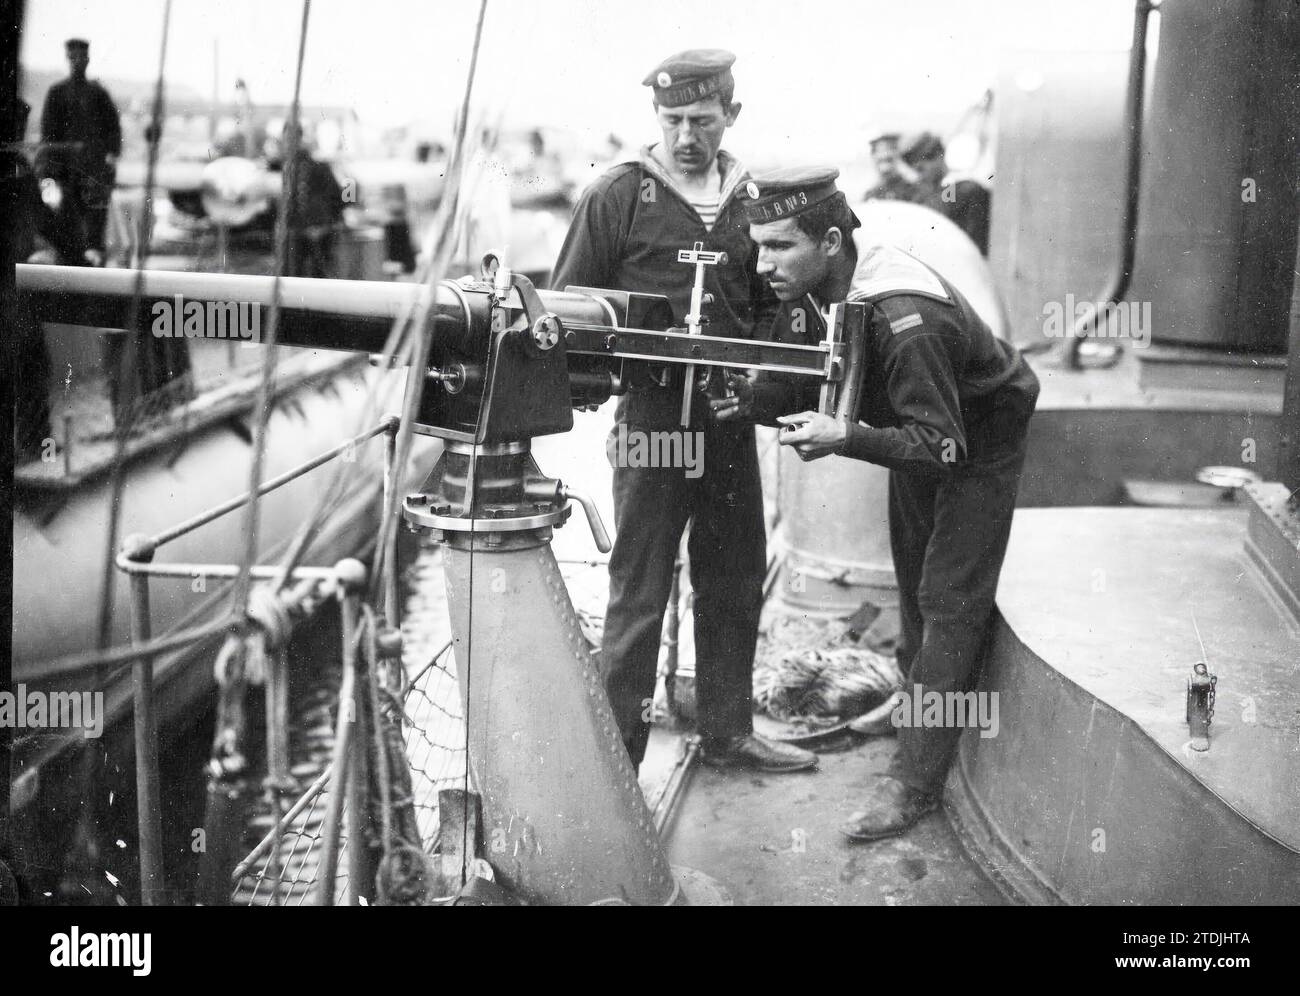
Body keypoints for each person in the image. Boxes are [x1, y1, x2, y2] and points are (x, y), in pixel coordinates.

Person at [718, 167, 1038, 838]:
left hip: (973, 437)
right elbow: (803, 377)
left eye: (779, 245)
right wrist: (747, 399)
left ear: (831, 241)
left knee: (951, 602)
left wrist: (847, 435)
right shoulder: (809, 286)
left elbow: (941, 446)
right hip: (916, 421)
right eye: (759, 244)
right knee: (916, 578)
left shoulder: (903, 317)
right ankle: (911, 705)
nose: (763, 261)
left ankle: (912, 785)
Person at [548, 49, 815, 774]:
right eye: (672, 120)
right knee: (641, 589)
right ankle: (617, 764)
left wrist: (757, 378)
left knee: (731, 579)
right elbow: (569, 308)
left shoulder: (755, 199)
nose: (687, 135)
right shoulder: (619, 196)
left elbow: (777, 308)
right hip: (653, 427)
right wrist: (598, 394)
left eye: (702, 119)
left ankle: (729, 733)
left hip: (729, 426)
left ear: (732, 113)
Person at [37, 38, 121, 260]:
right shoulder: (57, 93)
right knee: (66, 229)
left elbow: (113, 129)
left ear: (88, 59)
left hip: (94, 173)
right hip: (66, 174)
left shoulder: (98, 94)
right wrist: (50, 172)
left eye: (81, 57)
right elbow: (48, 135)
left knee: (95, 231)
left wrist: (110, 158)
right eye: (73, 57)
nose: (77, 62)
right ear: (68, 59)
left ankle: (95, 280)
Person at [900, 131, 992, 256]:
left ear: (939, 156)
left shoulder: (967, 190)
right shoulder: (922, 194)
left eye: (922, 169)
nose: (920, 176)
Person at [861, 132, 915, 202]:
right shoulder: (871, 193)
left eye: (888, 160)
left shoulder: (911, 188)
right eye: (881, 161)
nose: (885, 167)